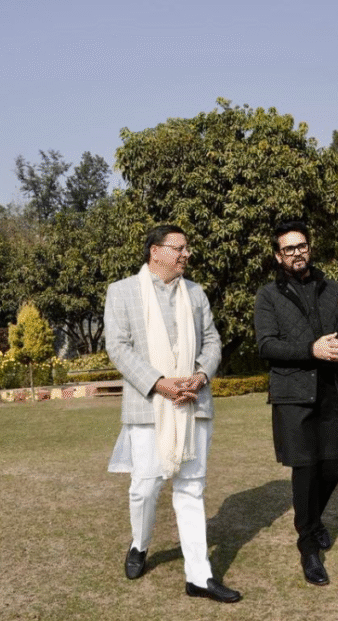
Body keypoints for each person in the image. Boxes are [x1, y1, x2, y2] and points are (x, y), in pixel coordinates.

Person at [104, 224, 241, 604]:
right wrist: (159, 382)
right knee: (145, 486)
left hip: (193, 404)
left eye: (186, 249)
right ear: (155, 251)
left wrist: (200, 376)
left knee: (191, 488)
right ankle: (140, 543)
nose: (186, 254)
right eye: (178, 248)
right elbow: (117, 346)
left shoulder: (195, 292)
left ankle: (198, 576)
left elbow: (212, 339)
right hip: (149, 405)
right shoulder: (122, 291)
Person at [253, 220, 338, 586]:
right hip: (293, 395)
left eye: (301, 246)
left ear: (309, 248)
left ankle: (313, 522)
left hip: (333, 390)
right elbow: (266, 345)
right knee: (306, 469)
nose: (296, 253)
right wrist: (311, 350)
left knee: (333, 466)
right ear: (278, 255)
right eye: (288, 249)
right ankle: (308, 548)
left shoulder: (332, 289)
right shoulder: (268, 296)